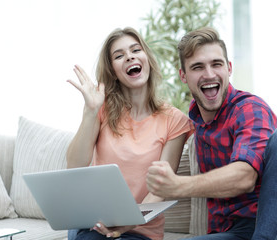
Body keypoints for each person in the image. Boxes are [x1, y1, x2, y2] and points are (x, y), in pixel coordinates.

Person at [146, 27, 277, 239]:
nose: (209, 74)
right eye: (197, 67)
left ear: (229, 68)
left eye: (216, 64)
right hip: (236, 232)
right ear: (183, 75)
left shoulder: (249, 109)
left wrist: (178, 186)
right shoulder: (194, 122)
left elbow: (244, 177)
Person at [66, 27, 194, 240]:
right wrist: (90, 112)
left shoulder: (174, 120)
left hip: (140, 230)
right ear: (113, 71)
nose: (130, 57)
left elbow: (160, 189)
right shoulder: (101, 108)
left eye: (136, 50)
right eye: (119, 55)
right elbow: (74, 165)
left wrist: (126, 223)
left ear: (147, 60)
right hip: (95, 225)